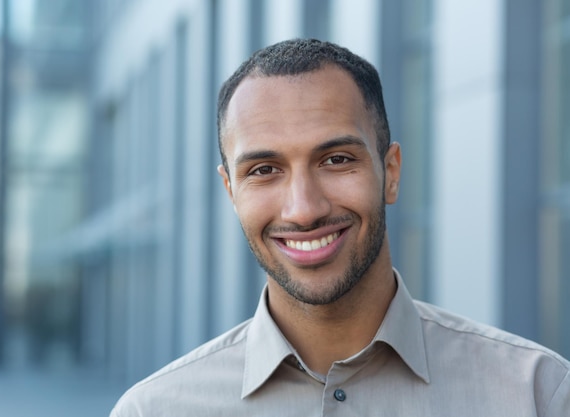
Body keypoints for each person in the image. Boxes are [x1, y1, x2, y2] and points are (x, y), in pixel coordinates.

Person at [110, 38, 570, 416]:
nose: (304, 209)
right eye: (264, 170)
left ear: (390, 172)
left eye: (336, 160)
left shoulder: (536, 394)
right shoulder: (153, 411)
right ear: (231, 191)